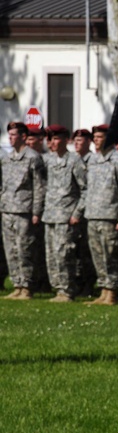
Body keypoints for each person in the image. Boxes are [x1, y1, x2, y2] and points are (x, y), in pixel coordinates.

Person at [84, 124, 118, 305]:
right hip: (93, 214)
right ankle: (103, 289)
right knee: (97, 254)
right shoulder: (93, 160)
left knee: (110, 255)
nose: (96, 140)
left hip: (110, 216)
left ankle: (112, 291)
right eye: (94, 137)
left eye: (100, 137)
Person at [41, 125, 88, 302]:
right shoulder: (50, 161)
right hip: (50, 214)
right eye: (51, 139)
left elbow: (85, 189)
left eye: (57, 138)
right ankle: (59, 288)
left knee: (64, 253)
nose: (53, 142)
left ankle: (68, 290)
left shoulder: (75, 161)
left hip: (66, 215)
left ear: (66, 140)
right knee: (52, 254)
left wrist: (77, 213)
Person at [2, 121, 46, 300]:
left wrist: (36, 212)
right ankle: (17, 284)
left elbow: (39, 186)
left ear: (23, 137)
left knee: (24, 248)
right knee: (10, 249)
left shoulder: (33, 158)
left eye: (14, 135)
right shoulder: (6, 158)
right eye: (9, 135)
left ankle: (27, 286)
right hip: (7, 209)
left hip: (24, 210)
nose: (11, 138)